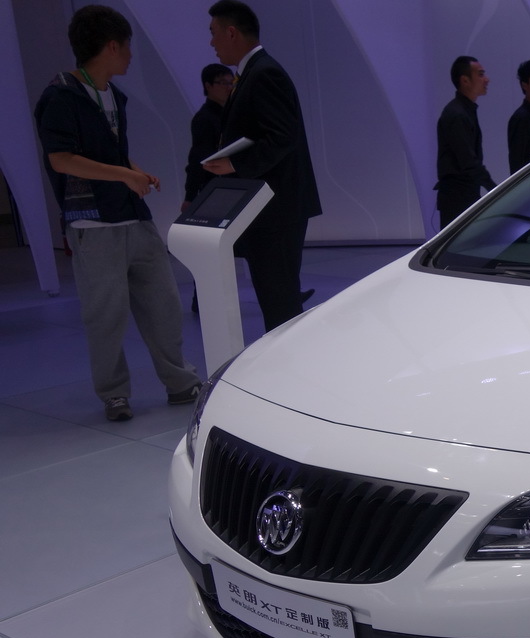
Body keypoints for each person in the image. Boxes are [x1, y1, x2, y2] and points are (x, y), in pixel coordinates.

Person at [34, 4, 201, 422]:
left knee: (163, 305)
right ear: (112, 46)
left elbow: (108, 153)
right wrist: (125, 175)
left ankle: (180, 382)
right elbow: (61, 159)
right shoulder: (60, 95)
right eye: (127, 46)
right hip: (92, 222)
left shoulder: (112, 94)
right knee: (105, 315)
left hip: (134, 217)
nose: (129, 55)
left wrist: (135, 171)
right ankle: (114, 394)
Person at [204, 0, 321, 331]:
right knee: (276, 298)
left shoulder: (264, 72)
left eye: (213, 33)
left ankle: (289, 361)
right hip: (269, 209)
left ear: (231, 32)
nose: (211, 42)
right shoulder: (252, 73)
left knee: (279, 302)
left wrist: (235, 163)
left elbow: (282, 137)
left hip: (276, 210)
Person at [183, 62, 233, 314]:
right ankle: (201, 299)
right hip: (213, 191)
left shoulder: (227, 115)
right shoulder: (205, 119)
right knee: (209, 248)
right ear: (208, 86)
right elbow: (197, 160)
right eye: (223, 83)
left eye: (231, 83)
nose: (228, 87)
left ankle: (203, 299)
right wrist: (190, 195)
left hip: (225, 189)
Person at [436, 55, 496, 227]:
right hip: (458, 199)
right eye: (481, 74)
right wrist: (493, 188)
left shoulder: (463, 111)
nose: (486, 79)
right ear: (465, 80)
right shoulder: (457, 114)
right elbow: (468, 161)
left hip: (463, 197)